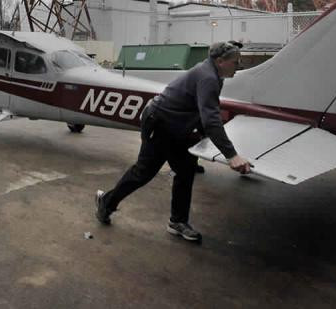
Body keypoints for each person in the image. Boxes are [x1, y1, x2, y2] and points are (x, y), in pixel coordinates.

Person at [95, 41, 251, 243]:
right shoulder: (208, 77)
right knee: (143, 173)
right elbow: (211, 118)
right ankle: (106, 203)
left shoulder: (214, 73)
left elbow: (202, 108)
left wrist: (203, 135)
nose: (238, 66)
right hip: (160, 125)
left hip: (178, 128)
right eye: (235, 62)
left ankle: (177, 222)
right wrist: (232, 155)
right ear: (220, 61)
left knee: (186, 172)